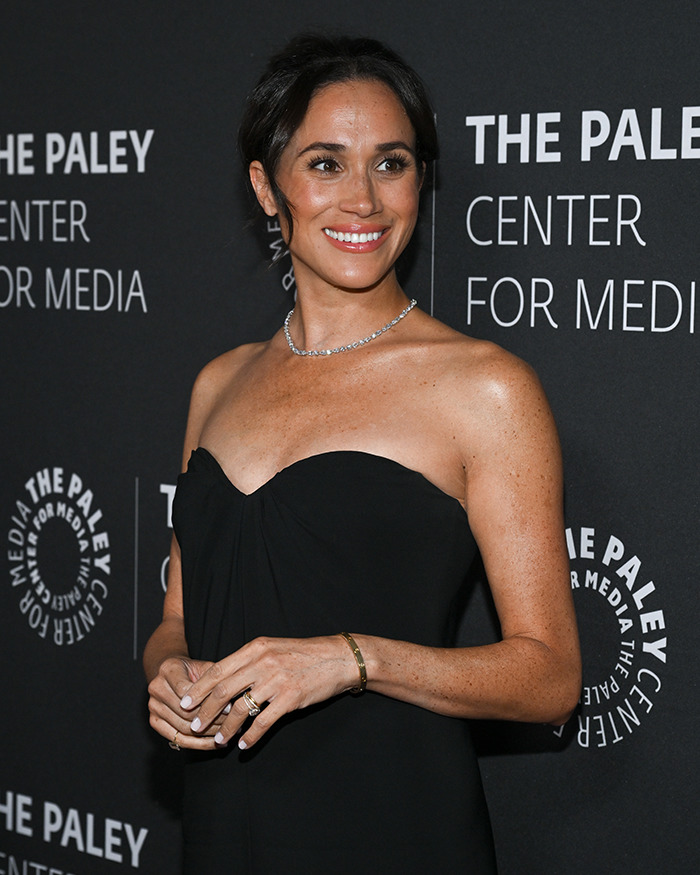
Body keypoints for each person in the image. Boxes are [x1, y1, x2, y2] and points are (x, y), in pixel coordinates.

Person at [144, 33, 581, 873]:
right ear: (266, 188)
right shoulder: (217, 384)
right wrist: (168, 673)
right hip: (223, 830)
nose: (364, 202)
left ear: (421, 180)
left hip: (396, 828)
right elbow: (176, 619)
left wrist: (351, 659)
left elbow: (550, 677)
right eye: (325, 163)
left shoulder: (485, 388)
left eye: (391, 163)